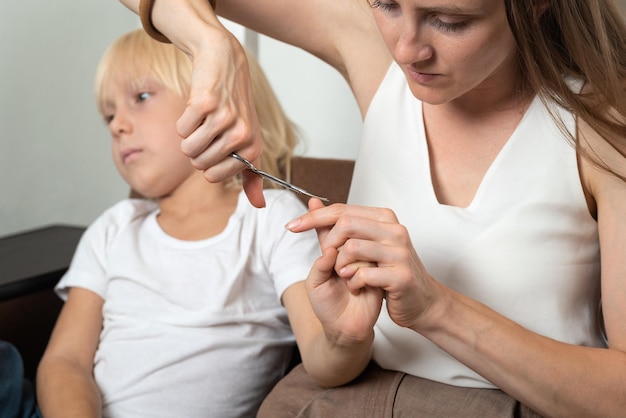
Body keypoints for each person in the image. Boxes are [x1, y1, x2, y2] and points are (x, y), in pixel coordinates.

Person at [118, 0, 626, 416]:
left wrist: (436, 310)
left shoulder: (605, 126)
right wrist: (214, 44)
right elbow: (334, 365)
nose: (407, 48)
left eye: (450, 20)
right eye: (386, 4)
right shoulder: (369, 51)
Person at [35, 28, 320, 418]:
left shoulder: (271, 218)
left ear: (218, 104)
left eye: (141, 97)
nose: (117, 124)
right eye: (109, 115)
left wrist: (346, 341)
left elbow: (325, 350)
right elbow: (64, 361)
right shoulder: (114, 228)